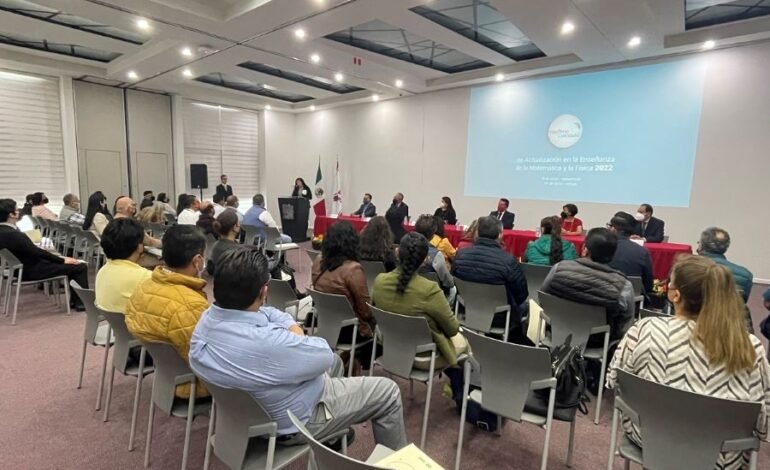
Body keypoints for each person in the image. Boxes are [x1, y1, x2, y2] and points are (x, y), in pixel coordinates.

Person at [189, 247, 407, 449]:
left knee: (337, 361)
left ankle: (331, 433)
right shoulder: (270, 343)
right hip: (291, 423)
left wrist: (289, 326)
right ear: (264, 291)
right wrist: (297, 333)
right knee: (387, 391)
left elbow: (267, 312)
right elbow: (323, 354)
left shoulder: (205, 322)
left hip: (246, 415)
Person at [607, 255, 770, 469]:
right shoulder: (750, 347)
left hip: (649, 438)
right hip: (722, 454)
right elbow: (763, 421)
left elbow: (614, 380)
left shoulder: (644, 329)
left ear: (675, 295)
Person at [126, 225, 210, 399]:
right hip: (192, 384)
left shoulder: (144, 287)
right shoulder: (190, 306)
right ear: (197, 260)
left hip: (165, 375)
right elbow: (207, 361)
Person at [372, 232, 466, 370]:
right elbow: (452, 329)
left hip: (390, 348)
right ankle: (457, 382)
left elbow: (373, 313)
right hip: (423, 356)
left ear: (397, 253)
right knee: (465, 344)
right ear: (425, 259)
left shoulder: (379, 281)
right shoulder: (429, 290)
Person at [542, 227, 635, 341]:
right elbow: (626, 325)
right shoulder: (623, 285)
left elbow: (543, 297)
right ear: (613, 254)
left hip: (556, 333)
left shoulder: (559, 268)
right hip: (598, 341)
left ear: (585, 248)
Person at [0, 199, 88, 310]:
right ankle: (81, 303)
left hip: (20, 269)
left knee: (71, 264)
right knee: (79, 266)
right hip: (33, 270)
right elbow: (37, 252)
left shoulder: (3, 231)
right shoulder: (13, 234)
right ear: (11, 214)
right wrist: (62, 259)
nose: (19, 211)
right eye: (17, 210)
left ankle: (76, 301)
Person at [452, 216, 529, 341]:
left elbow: (454, 283)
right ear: (500, 235)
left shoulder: (461, 255)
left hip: (466, 311)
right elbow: (521, 295)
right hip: (500, 317)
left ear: (477, 232)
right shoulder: (508, 261)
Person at [311, 221, 374, 339]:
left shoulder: (318, 261)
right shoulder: (353, 269)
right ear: (353, 242)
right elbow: (366, 313)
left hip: (324, 324)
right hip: (350, 332)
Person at [94, 218, 152, 313]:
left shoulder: (102, 271)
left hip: (114, 322)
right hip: (135, 321)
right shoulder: (145, 277)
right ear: (139, 247)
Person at [697, 227, 753, 302]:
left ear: (701, 246)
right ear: (726, 247)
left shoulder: (688, 268)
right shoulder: (746, 275)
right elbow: (742, 302)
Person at [608, 212, 653, 294]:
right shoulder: (642, 251)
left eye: (610, 225)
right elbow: (648, 284)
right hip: (634, 296)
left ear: (614, 229)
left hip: (602, 294)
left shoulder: (602, 247)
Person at [413, 216, 454, 294]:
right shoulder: (436, 255)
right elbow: (449, 282)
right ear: (433, 234)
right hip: (430, 293)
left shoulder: (404, 248)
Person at [207, 209, 240, 276]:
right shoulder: (238, 251)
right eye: (238, 223)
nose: (240, 225)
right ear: (235, 227)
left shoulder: (215, 245)